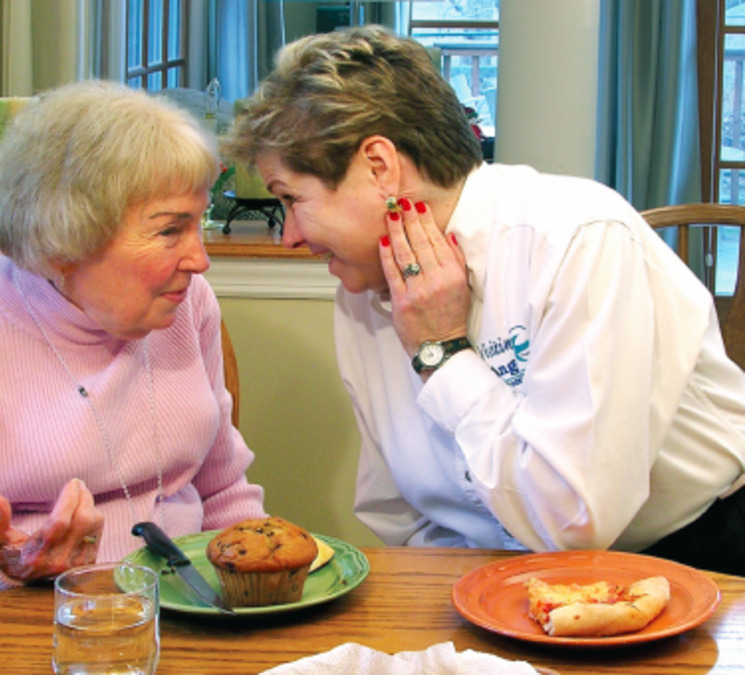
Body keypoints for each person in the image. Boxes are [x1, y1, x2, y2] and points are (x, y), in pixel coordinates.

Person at [225, 25, 745, 574]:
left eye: (291, 199)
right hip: (479, 584)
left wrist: (443, 356)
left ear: (379, 167)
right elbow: (398, 514)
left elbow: (575, 522)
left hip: (695, 563)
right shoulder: (365, 291)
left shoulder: (577, 239)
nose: (289, 236)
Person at [0, 80, 266, 632]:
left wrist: (258, 609)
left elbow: (222, 493)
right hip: (5, 639)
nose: (199, 259)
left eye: (199, 222)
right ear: (62, 244)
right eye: (170, 230)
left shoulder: (186, 307)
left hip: (186, 623)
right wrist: (2, 576)